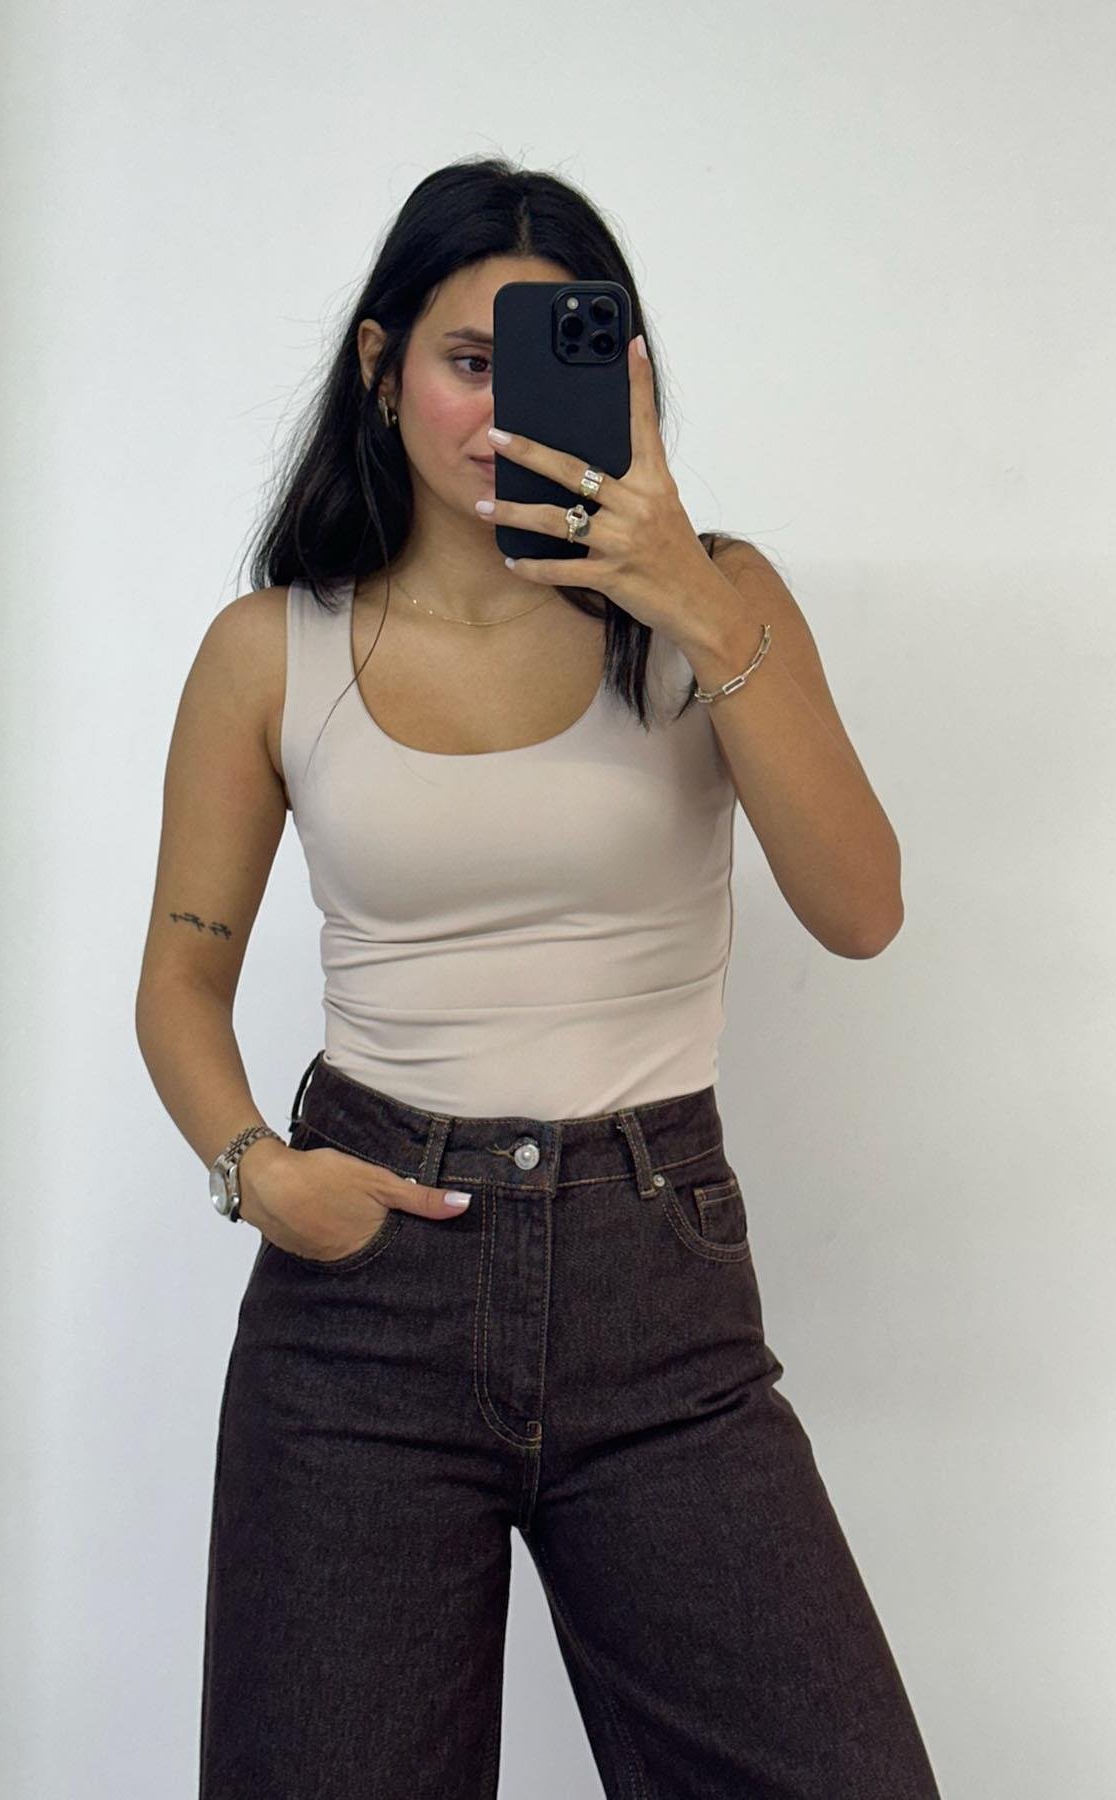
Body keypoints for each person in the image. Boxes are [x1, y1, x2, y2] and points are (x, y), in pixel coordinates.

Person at [135, 156, 941, 1800]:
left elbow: (862, 911)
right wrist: (257, 1173)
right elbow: (179, 983)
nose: (502, 406)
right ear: (381, 372)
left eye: (548, 354)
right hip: (363, 1304)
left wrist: (689, 596)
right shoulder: (270, 651)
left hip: (657, 1285)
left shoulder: (716, 603)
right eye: (465, 360)